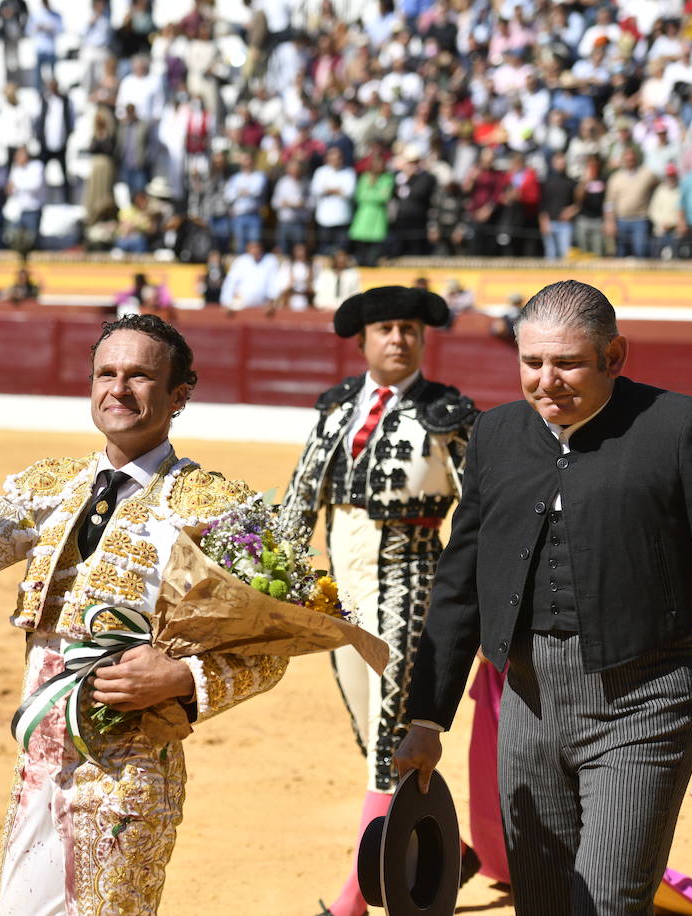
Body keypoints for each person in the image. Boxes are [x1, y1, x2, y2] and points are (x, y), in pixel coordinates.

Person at [0, 313, 288, 914]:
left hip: (130, 775)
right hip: (39, 764)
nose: (118, 388)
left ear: (179, 395)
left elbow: (270, 647)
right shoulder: (50, 486)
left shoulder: (218, 508)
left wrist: (182, 678)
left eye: (140, 376)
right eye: (105, 373)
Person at [395, 279, 692, 915]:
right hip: (526, 707)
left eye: (568, 362)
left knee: (605, 904)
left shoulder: (681, 429)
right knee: (542, 904)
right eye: (532, 362)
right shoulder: (496, 435)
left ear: (615, 356)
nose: (546, 380)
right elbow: (459, 583)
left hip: (646, 704)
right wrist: (427, 717)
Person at [281, 286, 477, 916]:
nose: (399, 338)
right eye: (387, 328)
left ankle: (356, 897)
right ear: (362, 340)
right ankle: (449, 849)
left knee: (393, 734)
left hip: (412, 583)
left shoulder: (448, 413)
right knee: (372, 734)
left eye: (410, 329)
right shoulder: (336, 407)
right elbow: (299, 497)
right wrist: (276, 581)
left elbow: (479, 516)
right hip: (347, 591)